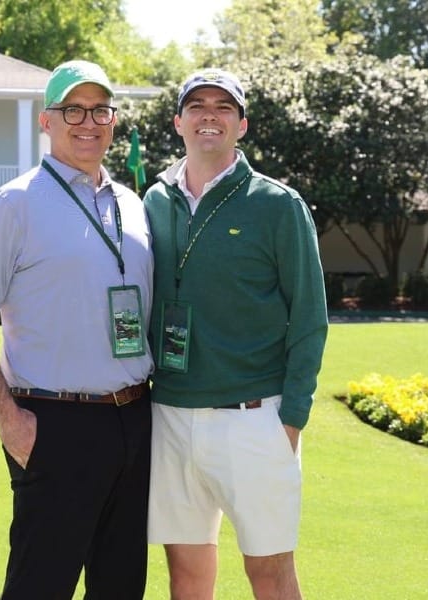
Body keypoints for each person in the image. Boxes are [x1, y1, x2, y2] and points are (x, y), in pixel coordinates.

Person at [0, 60, 153, 600]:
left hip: (135, 417)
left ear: (113, 120)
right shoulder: (14, 203)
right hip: (54, 422)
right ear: (47, 120)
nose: (88, 122)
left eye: (100, 110)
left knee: (121, 585)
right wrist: (7, 419)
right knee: (40, 587)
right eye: (73, 110)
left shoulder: (131, 204)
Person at [143, 68, 329, 600]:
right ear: (178, 122)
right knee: (186, 574)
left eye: (223, 107)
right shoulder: (153, 200)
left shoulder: (278, 204)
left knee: (269, 574)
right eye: (197, 105)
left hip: (255, 417)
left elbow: (310, 318)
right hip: (171, 414)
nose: (209, 115)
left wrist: (291, 418)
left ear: (241, 125)